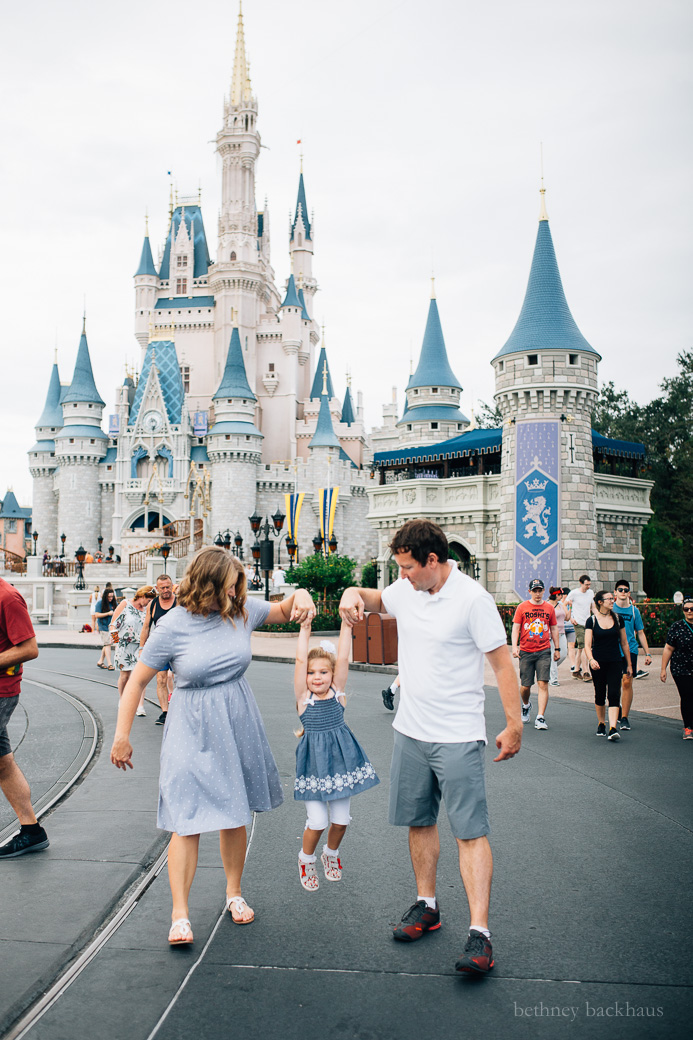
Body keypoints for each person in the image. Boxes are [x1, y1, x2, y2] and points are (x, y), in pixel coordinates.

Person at [338, 519, 521, 976]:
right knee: (419, 822)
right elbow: (375, 597)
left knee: (469, 832)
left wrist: (515, 724)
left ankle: (481, 933)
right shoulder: (406, 589)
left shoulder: (472, 600)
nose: (400, 576)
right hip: (410, 731)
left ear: (432, 561)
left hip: (458, 734)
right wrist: (350, 593)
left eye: (406, 567)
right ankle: (427, 906)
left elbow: (501, 665)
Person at [110, 545, 315, 945]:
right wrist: (122, 735)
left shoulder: (240, 610)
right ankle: (180, 914)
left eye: (239, 586)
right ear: (208, 585)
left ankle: (234, 893)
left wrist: (302, 594)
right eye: (231, 585)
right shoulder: (172, 627)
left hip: (236, 718)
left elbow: (285, 608)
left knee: (232, 812)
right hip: (191, 723)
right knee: (185, 819)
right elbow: (136, 681)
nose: (238, 592)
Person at [293, 621, 379, 890]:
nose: (317, 677)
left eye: (323, 672)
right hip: (313, 769)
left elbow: (342, 657)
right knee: (317, 821)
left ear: (332, 675)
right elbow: (298, 660)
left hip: (341, 766)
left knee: (341, 822)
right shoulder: (304, 699)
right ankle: (306, 859)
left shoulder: (337, 694)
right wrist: (306, 629)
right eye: (311, 673)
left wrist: (346, 623)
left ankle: (330, 853)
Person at [0, 577, 47, 858]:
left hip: (1, 691)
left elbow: (29, 648)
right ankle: (32, 831)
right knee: (3, 764)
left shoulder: (7, 597)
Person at [511, 580, 560, 730]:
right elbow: (516, 628)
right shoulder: (522, 607)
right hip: (526, 650)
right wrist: (514, 647)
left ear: (544, 591)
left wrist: (557, 648)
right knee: (525, 686)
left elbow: (554, 628)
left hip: (543, 650)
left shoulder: (549, 608)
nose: (537, 594)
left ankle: (540, 717)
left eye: (540, 591)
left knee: (543, 683)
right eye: (535, 591)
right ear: (529, 591)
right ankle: (526, 705)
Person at [584, 590, 632, 741]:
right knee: (599, 694)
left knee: (613, 694)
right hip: (597, 662)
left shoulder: (618, 619)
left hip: (615, 661)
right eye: (609, 599)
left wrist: (629, 664)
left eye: (613, 598)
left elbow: (624, 643)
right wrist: (591, 659)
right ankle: (601, 723)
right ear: (600, 602)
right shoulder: (591, 620)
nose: (612, 601)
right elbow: (586, 644)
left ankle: (612, 728)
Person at [612, 580, 652, 730]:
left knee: (627, 681)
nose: (623, 592)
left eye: (625, 590)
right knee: (613, 684)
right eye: (620, 590)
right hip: (613, 650)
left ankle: (624, 717)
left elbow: (640, 632)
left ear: (629, 593)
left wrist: (647, 653)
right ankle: (617, 709)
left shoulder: (634, 611)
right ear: (615, 592)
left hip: (631, 650)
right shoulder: (611, 609)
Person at [139, 574, 178, 726]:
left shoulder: (180, 602)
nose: (166, 590)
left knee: (179, 679)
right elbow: (146, 627)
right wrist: (142, 647)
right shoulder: (153, 604)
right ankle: (165, 712)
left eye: (168, 587)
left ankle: (179, 709)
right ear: (157, 589)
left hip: (178, 647)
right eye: (162, 588)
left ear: (172, 585)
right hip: (160, 647)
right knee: (161, 679)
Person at [111, 586, 155, 715]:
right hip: (124, 644)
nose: (149, 603)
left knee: (140, 676)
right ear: (142, 596)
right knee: (125, 676)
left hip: (141, 645)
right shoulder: (126, 604)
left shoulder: (147, 609)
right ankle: (123, 699)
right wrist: (116, 641)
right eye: (148, 600)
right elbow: (113, 623)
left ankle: (140, 705)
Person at [659, 596, 693, 739]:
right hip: (681, 668)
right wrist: (663, 669)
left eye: (692, 609)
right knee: (687, 696)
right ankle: (688, 727)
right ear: (683, 611)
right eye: (686, 609)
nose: (690, 611)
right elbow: (668, 649)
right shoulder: (677, 627)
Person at [566, 575, 594, 682]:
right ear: (581, 583)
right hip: (578, 622)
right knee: (584, 645)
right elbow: (565, 604)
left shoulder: (590, 593)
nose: (588, 586)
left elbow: (593, 607)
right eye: (586, 584)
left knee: (581, 648)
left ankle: (576, 671)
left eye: (589, 584)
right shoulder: (574, 593)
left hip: (587, 622)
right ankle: (586, 672)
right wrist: (571, 618)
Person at [548, 587, 568, 687]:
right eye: (561, 595)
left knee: (563, 654)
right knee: (553, 656)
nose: (562, 596)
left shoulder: (560, 605)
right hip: (550, 634)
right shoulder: (546, 605)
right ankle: (553, 679)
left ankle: (548, 670)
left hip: (561, 633)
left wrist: (566, 605)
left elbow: (567, 618)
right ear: (557, 595)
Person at [94, 588, 118, 669]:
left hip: (113, 627)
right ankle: (110, 664)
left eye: (112, 596)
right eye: (109, 597)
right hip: (103, 626)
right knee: (108, 644)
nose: (110, 598)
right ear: (105, 596)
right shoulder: (100, 603)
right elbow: (96, 615)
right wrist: (108, 613)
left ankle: (100, 661)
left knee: (108, 643)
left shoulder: (114, 603)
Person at [563, 587, 576, 671]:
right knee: (562, 648)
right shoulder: (559, 604)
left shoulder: (574, 604)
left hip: (571, 628)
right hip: (561, 628)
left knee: (571, 647)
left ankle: (573, 665)